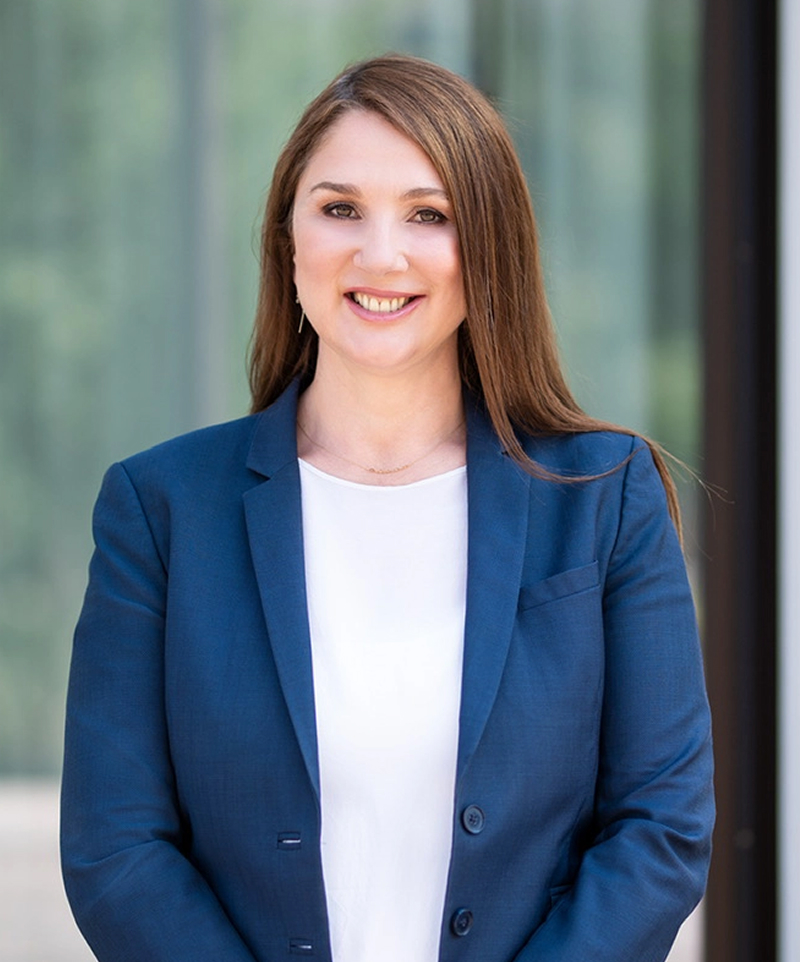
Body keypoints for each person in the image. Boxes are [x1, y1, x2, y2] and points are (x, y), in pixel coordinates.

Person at [61, 54, 714, 962]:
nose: (380, 255)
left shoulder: (605, 498)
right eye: (339, 210)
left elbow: (660, 830)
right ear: (289, 241)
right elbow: (115, 850)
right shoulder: (160, 510)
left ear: (485, 245)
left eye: (428, 215)